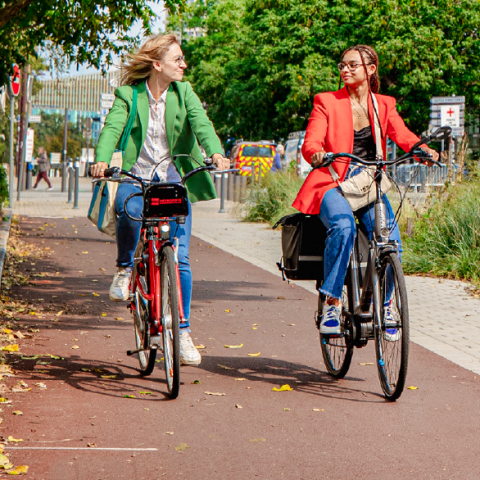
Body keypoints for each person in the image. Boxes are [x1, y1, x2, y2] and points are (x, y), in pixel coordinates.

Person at [91, 34, 229, 366]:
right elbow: (112, 127)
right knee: (129, 211)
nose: (184, 64)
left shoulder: (185, 92)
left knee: (179, 259)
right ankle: (125, 268)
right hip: (137, 174)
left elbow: (202, 124)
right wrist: (102, 158)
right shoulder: (128, 94)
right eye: (177, 59)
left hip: (172, 177)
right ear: (157, 65)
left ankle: (181, 332)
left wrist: (215, 152)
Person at [292, 45, 438, 338]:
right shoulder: (327, 101)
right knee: (343, 226)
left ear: (370, 70)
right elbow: (312, 140)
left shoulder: (383, 104)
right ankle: (332, 302)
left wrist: (421, 150)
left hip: (368, 184)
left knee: (391, 240)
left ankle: (385, 306)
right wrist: (317, 153)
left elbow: (401, 133)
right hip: (333, 182)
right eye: (342, 66)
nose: (345, 70)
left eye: (352, 65)